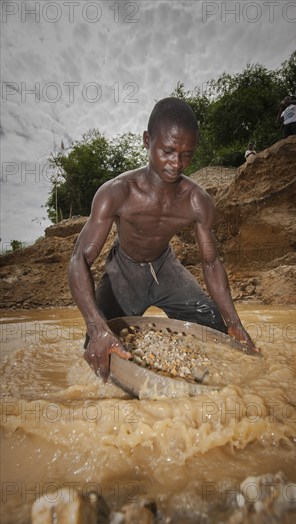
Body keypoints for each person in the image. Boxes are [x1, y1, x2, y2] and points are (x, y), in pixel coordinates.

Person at [68, 97, 260, 381]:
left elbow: (210, 262)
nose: (176, 163)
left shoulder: (197, 201)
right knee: (98, 350)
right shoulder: (116, 193)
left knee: (217, 327)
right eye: (167, 151)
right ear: (147, 140)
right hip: (123, 271)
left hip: (166, 269)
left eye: (186, 155)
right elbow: (79, 259)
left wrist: (234, 321)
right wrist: (96, 327)